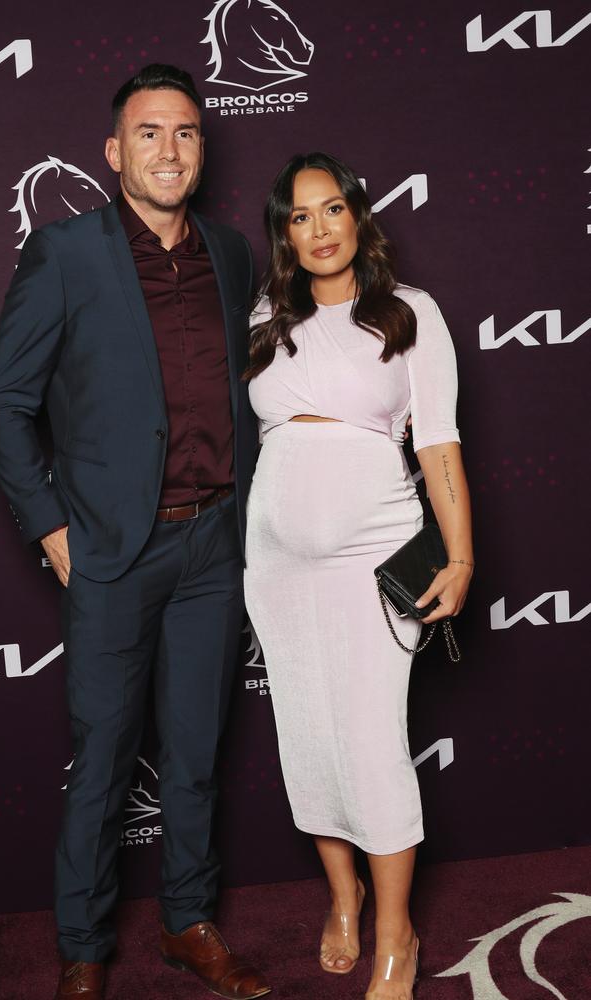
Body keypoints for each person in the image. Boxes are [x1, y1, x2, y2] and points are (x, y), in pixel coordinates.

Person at [0, 64, 270, 1000]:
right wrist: (52, 528)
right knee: (102, 760)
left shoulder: (230, 253)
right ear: (114, 153)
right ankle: (84, 949)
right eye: (149, 133)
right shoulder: (66, 252)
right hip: (112, 551)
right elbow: (6, 400)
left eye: (185, 131)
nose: (169, 149)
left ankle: (188, 923)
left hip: (212, 546)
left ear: (202, 147)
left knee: (194, 752)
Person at [243, 152, 473, 1000]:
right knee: (308, 741)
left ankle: (394, 933)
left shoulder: (410, 313)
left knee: (372, 747)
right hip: (275, 563)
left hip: (371, 558)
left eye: (331, 208)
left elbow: (438, 441)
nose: (319, 228)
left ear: (358, 217)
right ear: (285, 235)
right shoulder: (268, 312)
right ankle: (341, 899)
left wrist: (461, 555)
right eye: (299, 217)